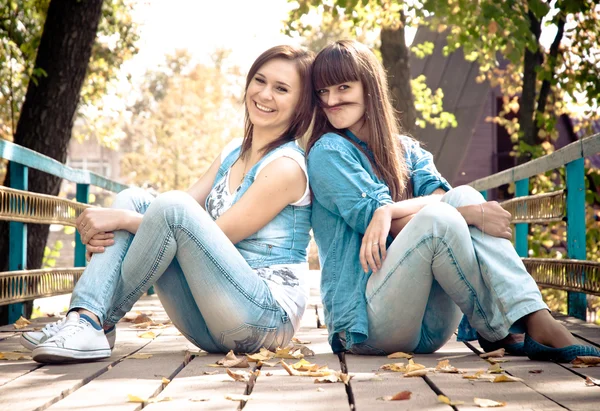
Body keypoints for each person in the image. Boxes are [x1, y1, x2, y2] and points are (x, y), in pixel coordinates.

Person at [306, 40, 600, 362]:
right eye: (322, 92)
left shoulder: (406, 150)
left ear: (369, 87)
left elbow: (442, 198)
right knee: (443, 218)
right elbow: (417, 223)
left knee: (464, 196)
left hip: (430, 327)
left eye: (343, 87)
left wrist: (389, 209)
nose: (331, 100)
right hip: (367, 325)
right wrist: (463, 215)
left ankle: (529, 315)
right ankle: (519, 324)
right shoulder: (328, 151)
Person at [21, 45, 315, 363]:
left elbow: (206, 231)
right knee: (134, 199)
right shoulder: (234, 151)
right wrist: (125, 224)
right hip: (209, 321)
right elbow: (178, 211)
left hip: (264, 321)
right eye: (260, 80)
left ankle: (93, 319)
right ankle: (87, 319)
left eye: (281, 89)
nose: (265, 94)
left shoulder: (287, 166)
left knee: (158, 209)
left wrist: (120, 221)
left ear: (301, 104)